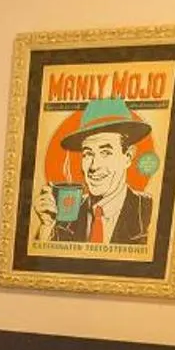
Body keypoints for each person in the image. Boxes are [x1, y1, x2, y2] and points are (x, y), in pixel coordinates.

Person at [33, 97, 155, 246]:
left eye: (105, 152)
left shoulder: (148, 210)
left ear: (128, 157)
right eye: (88, 153)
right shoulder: (65, 215)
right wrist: (47, 226)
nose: (93, 166)